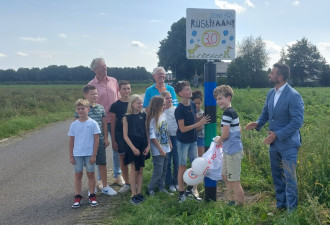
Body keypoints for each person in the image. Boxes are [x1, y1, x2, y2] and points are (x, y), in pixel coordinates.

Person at [245, 63, 304, 211]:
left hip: (288, 144)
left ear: (280, 77)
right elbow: (266, 112)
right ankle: (281, 206)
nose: (269, 75)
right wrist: (258, 123)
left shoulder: (293, 96)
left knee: (290, 179)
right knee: (277, 176)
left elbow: (297, 121)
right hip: (274, 144)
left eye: (272, 73)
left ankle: (292, 213)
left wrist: (277, 134)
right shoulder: (271, 93)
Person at [74, 85, 117, 196]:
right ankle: (91, 189)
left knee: (102, 163)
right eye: (92, 94)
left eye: (96, 93)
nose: (95, 96)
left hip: (100, 140)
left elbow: (104, 123)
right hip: (87, 144)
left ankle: (105, 186)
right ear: (85, 95)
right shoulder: (81, 109)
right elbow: (76, 127)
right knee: (90, 168)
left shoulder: (100, 108)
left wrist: (106, 138)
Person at [88, 58, 124, 187]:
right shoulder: (91, 84)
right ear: (95, 69)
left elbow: (119, 98)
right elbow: (91, 104)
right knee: (100, 148)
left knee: (117, 147)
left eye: (105, 66)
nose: (105, 68)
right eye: (102, 67)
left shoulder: (113, 81)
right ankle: (100, 178)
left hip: (115, 119)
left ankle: (117, 175)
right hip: (100, 121)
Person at [174, 81, 210, 203]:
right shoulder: (179, 109)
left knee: (195, 165)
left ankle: (190, 190)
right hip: (183, 142)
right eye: (187, 89)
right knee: (182, 166)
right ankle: (181, 193)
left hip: (193, 140)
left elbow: (194, 120)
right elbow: (183, 128)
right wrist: (199, 123)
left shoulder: (193, 105)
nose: (190, 91)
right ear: (180, 93)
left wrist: (204, 116)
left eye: (190, 89)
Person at [213, 85, 245, 206]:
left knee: (234, 180)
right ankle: (231, 201)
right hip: (229, 150)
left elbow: (225, 135)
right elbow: (239, 130)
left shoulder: (227, 114)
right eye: (217, 99)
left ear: (228, 98)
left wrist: (218, 140)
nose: (218, 102)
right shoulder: (231, 112)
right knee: (225, 176)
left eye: (220, 98)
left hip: (232, 152)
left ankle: (240, 206)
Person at [68, 99, 101, 208]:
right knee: (78, 174)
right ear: (76, 110)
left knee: (91, 174)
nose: (81, 111)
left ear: (88, 109)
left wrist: (94, 154)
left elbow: (96, 140)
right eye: (78, 109)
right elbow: (71, 141)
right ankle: (78, 197)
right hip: (78, 153)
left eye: (83, 108)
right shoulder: (74, 124)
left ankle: (92, 195)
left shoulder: (93, 123)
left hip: (89, 153)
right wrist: (71, 155)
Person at [123, 94, 150, 205]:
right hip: (132, 145)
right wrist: (133, 148)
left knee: (141, 169)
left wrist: (148, 146)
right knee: (134, 169)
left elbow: (147, 132)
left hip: (143, 144)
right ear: (132, 104)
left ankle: (139, 193)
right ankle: (133, 194)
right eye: (138, 103)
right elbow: (125, 136)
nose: (140, 105)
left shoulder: (144, 115)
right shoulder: (126, 117)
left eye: (141, 102)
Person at [146, 96, 173, 196]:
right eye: (162, 105)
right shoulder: (152, 119)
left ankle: (161, 187)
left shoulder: (163, 115)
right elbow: (152, 136)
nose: (164, 106)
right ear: (157, 106)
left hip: (166, 146)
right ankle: (150, 188)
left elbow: (166, 130)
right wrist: (160, 149)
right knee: (158, 170)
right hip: (158, 149)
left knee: (165, 169)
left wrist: (169, 142)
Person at [109, 80, 131, 194]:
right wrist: (113, 140)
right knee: (122, 159)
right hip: (120, 135)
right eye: (124, 88)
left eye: (128, 88)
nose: (126, 91)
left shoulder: (134, 103)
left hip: (133, 135)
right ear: (119, 90)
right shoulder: (115, 106)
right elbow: (112, 124)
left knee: (133, 159)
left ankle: (134, 180)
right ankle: (127, 183)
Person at [161, 91, 179, 192]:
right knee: (167, 162)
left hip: (176, 137)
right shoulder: (161, 112)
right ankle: (169, 183)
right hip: (166, 139)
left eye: (171, 98)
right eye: (167, 98)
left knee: (176, 161)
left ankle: (176, 181)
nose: (170, 100)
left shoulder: (175, 110)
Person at [192, 90, 205, 157]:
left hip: (201, 137)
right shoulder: (191, 113)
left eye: (199, 103)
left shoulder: (202, 113)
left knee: (200, 157)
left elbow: (199, 127)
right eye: (195, 103)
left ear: (201, 103)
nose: (197, 105)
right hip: (193, 138)